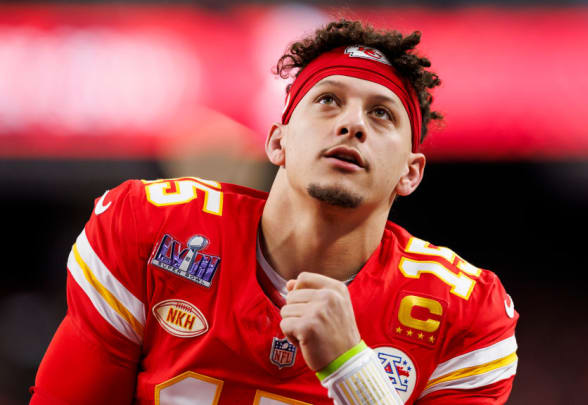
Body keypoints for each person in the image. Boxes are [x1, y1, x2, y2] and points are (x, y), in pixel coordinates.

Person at [31, 20, 518, 404]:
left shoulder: (464, 312)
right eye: (328, 101)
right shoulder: (149, 226)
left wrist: (352, 368)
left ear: (410, 173)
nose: (351, 124)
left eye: (381, 114)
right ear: (277, 140)